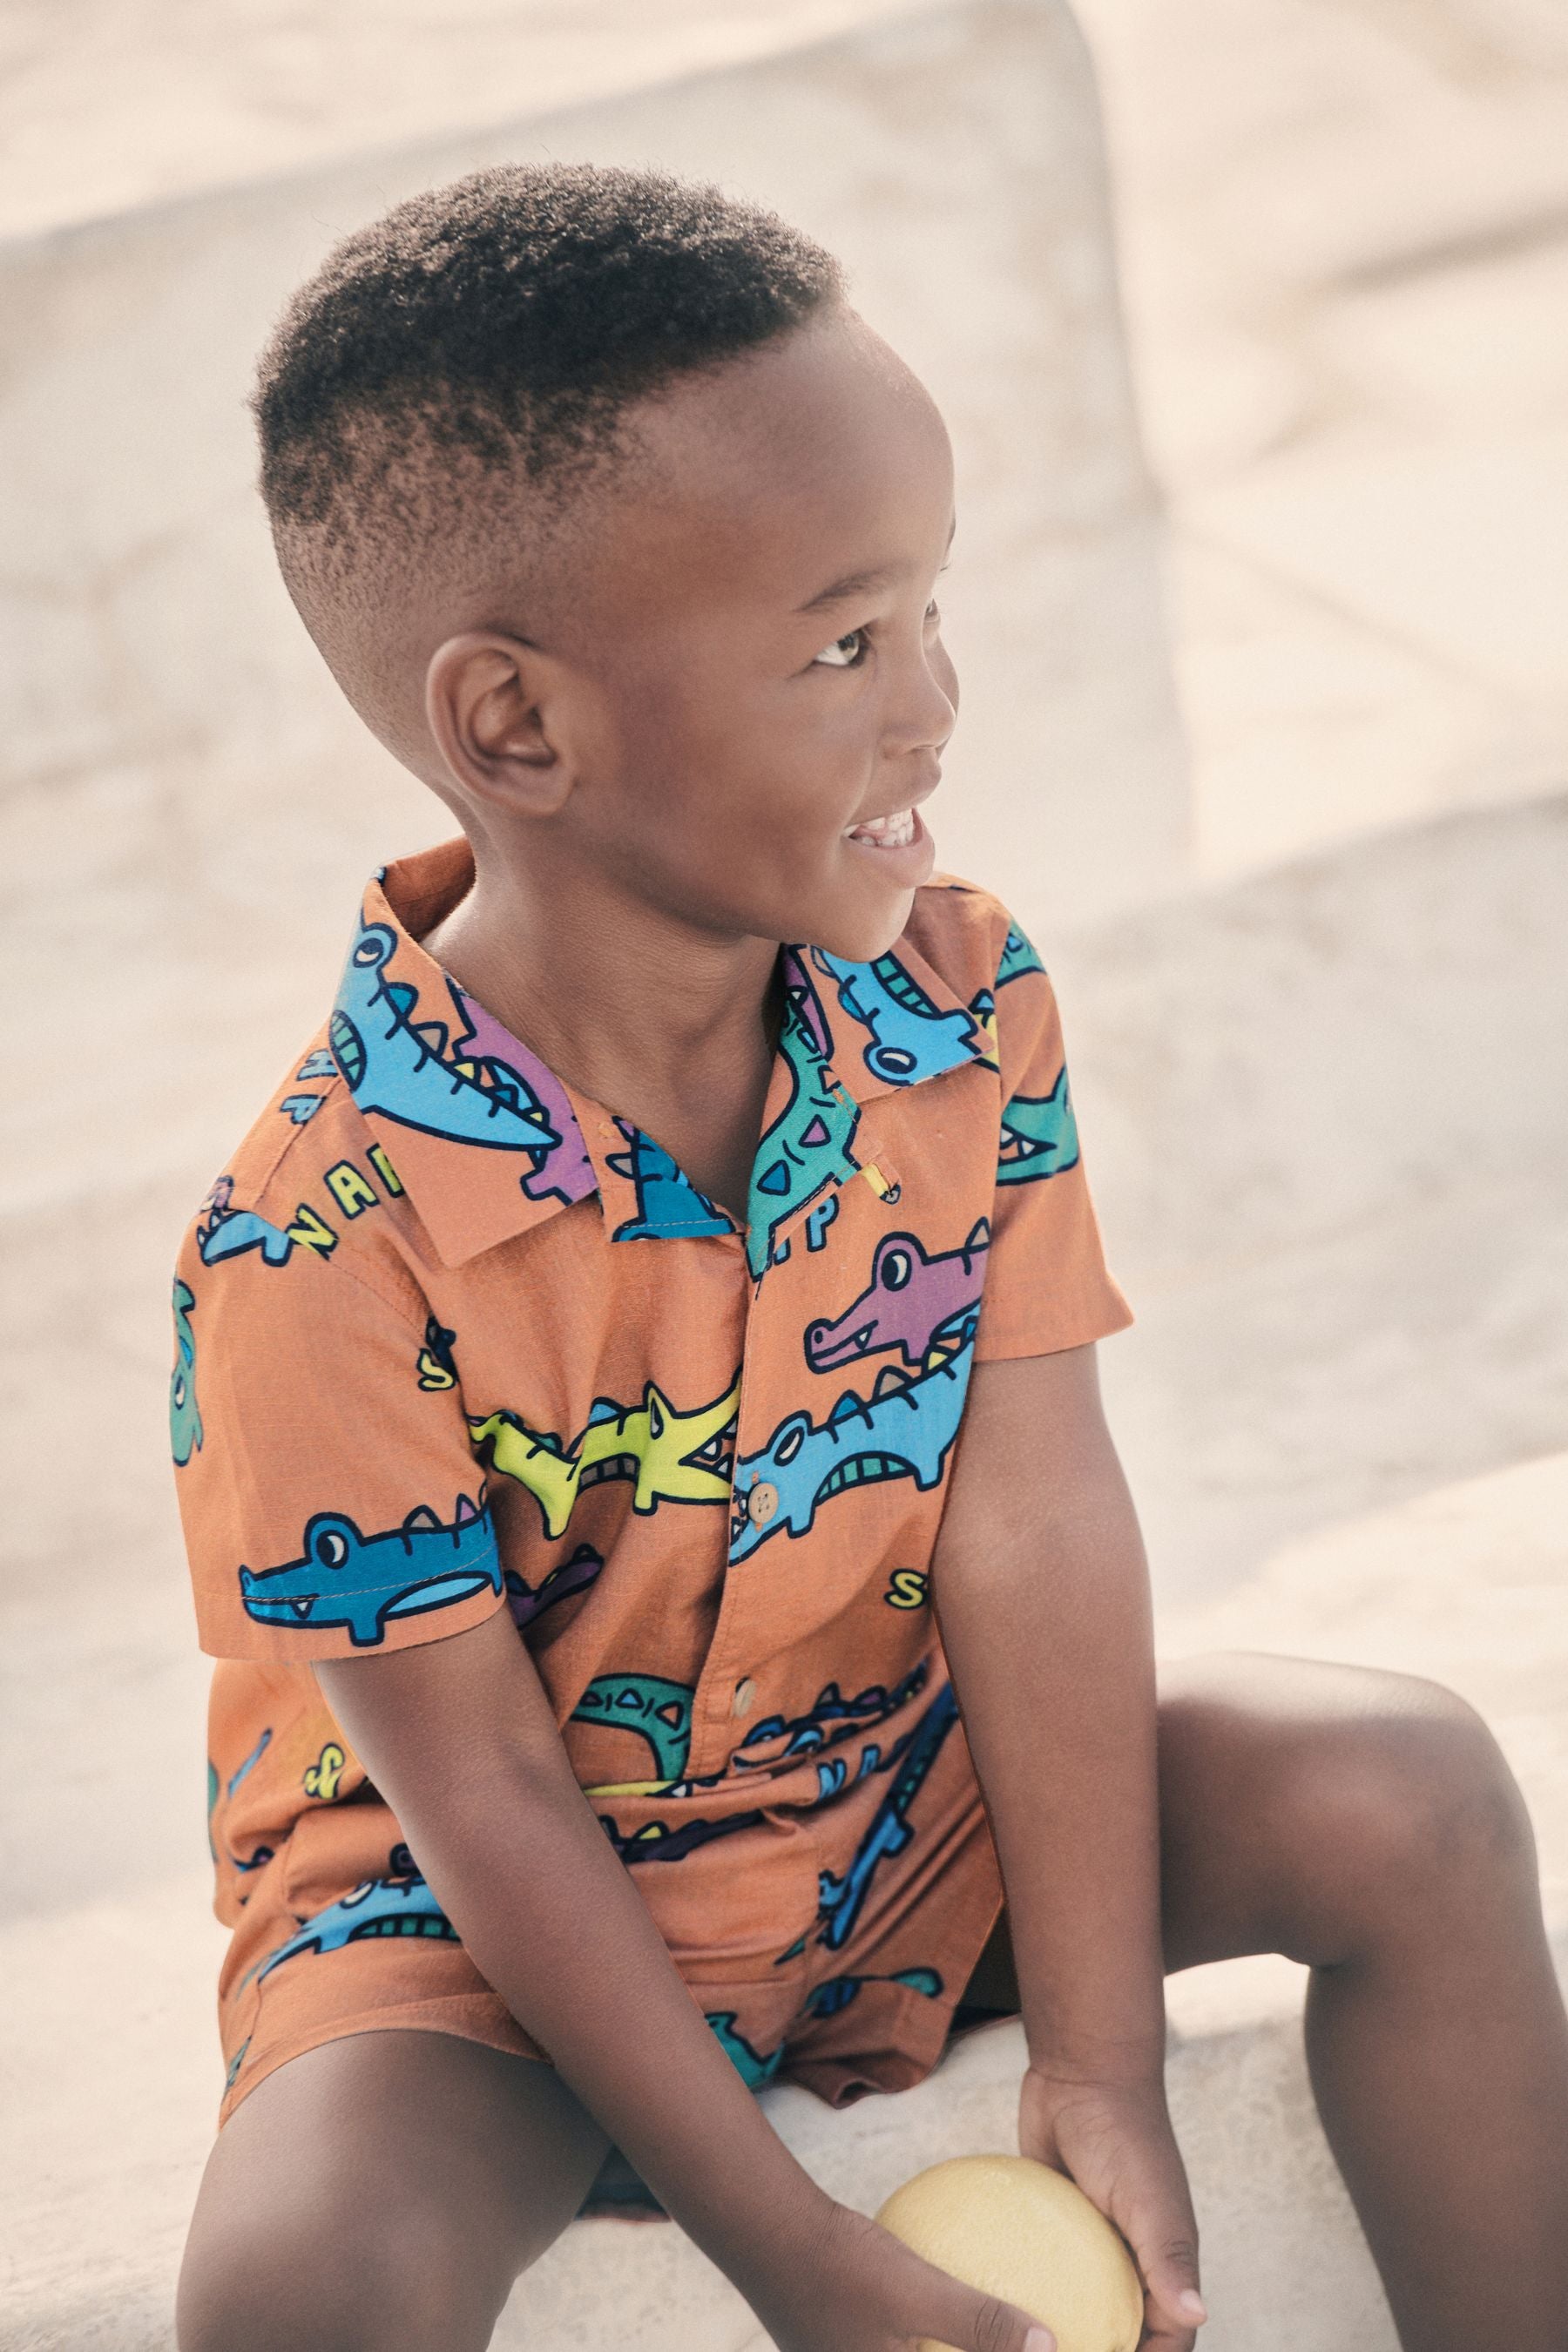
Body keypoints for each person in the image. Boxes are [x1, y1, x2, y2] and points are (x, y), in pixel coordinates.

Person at [169, 165, 1568, 2352]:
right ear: (518, 728)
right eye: (841, 644)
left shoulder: (960, 1004)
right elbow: (497, 1808)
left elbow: (1033, 1518)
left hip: (904, 1814)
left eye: (929, 611)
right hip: (489, 1945)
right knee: (298, 2280)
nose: (930, 708)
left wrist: (1102, 2060)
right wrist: (796, 2258)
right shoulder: (314, 1245)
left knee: (1407, 1789)